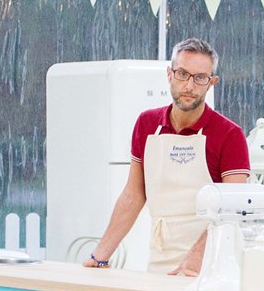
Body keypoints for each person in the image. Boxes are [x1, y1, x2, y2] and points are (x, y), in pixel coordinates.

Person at [84, 38, 250, 274]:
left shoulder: (230, 134)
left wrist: (197, 258)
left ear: (211, 83)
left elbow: (231, 209)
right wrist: (99, 256)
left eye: (200, 78)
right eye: (182, 74)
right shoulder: (147, 124)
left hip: (215, 263)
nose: (189, 85)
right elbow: (133, 195)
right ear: (169, 74)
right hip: (161, 258)